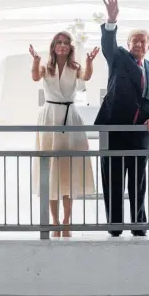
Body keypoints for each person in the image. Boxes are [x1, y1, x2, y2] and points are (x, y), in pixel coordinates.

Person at [94, 0, 149, 237]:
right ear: (128, 45)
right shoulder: (119, 59)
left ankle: (139, 225)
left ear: (148, 45)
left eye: (142, 41)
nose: (138, 44)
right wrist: (111, 21)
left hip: (141, 133)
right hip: (115, 131)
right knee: (113, 179)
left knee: (138, 180)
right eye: (134, 41)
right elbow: (107, 45)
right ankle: (115, 226)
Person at [30, 32, 98, 237]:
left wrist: (88, 61)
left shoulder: (75, 68)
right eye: (59, 42)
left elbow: (86, 76)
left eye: (66, 43)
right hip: (49, 116)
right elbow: (35, 76)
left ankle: (67, 220)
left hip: (70, 118)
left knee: (68, 171)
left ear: (70, 47)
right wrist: (35, 61)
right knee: (50, 170)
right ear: (53, 46)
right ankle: (55, 220)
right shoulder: (46, 68)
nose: (62, 45)